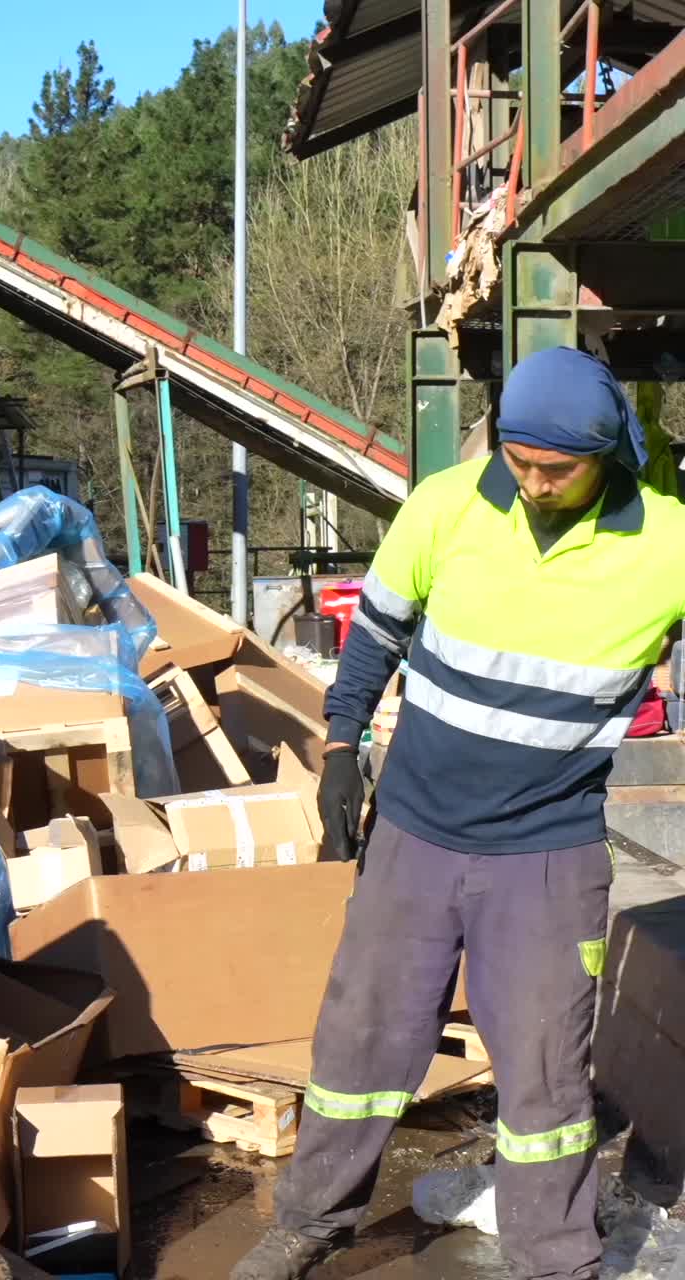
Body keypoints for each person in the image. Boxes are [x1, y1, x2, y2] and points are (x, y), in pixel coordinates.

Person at [232, 347, 685, 1280]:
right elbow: (375, 639)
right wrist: (340, 747)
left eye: (556, 467)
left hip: (547, 854)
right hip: (415, 834)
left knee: (547, 1069)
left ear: (608, 454)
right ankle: (310, 1224)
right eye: (518, 460)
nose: (533, 482)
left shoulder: (667, 544)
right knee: (363, 1039)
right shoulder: (445, 505)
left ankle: (555, 1257)